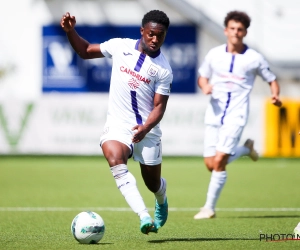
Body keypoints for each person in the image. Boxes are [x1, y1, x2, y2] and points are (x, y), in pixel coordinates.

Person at [60, 10, 172, 234]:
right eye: (151, 34)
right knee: (115, 159)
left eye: (160, 36)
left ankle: (161, 198)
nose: (155, 39)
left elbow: (159, 107)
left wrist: (146, 128)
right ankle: (144, 217)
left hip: (147, 132)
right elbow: (84, 51)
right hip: (118, 126)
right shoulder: (120, 46)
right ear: (142, 31)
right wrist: (71, 31)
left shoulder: (164, 70)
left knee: (152, 183)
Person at [194, 10, 282, 219]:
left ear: (245, 32)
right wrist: (205, 86)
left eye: (240, 29)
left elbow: (272, 79)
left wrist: (275, 95)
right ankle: (245, 149)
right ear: (226, 30)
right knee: (210, 164)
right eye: (232, 28)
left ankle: (208, 208)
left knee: (220, 161)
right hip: (214, 113)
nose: (236, 32)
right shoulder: (214, 54)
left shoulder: (254, 58)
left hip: (237, 114)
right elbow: (202, 77)